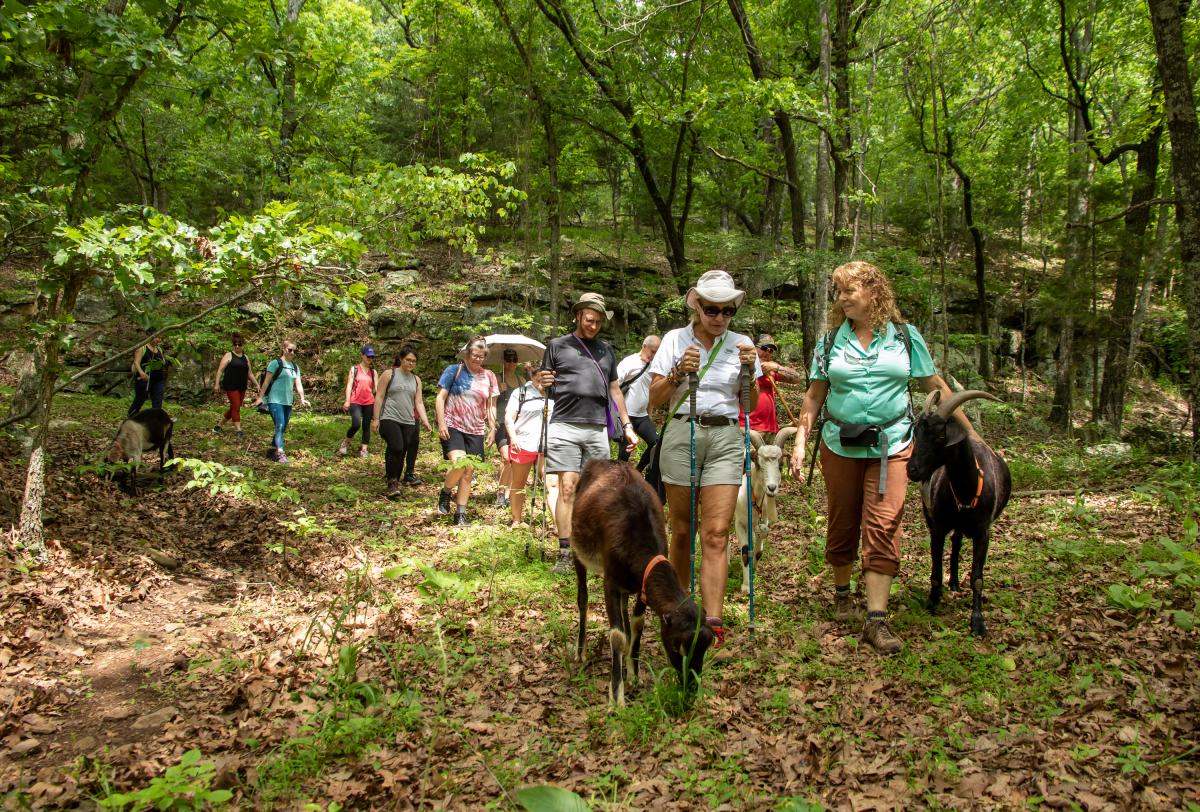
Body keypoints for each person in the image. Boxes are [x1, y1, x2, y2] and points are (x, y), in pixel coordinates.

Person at [788, 260, 975, 655]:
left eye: (847, 290)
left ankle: (876, 619)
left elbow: (935, 385)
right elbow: (814, 395)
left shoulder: (905, 338)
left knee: (885, 522)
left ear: (873, 291)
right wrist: (801, 441)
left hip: (892, 444)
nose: (841, 298)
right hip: (839, 443)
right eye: (838, 292)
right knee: (842, 516)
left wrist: (971, 433)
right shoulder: (829, 343)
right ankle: (842, 594)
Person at [647, 270, 760, 659]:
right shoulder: (675, 340)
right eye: (711, 308)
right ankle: (678, 615)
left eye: (726, 310)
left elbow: (750, 404)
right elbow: (654, 401)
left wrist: (750, 371)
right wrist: (679, 370)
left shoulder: (741, 343)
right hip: (682, 433)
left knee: (715, 532)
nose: (719, 317)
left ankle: (712, 624)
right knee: (682, 529)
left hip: (726, 436)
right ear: (696, 305)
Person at [535, 292, 640, 574]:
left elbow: (615, 389)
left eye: (598, 322)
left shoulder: (606, 350)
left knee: (598, 492)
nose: (593, 326)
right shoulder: (557, 346)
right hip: (565, 424)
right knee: (568, 488)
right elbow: (543, 382)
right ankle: (566, 553)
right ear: (579, 315)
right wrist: (542, 381)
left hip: (598, 428)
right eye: (589, 320)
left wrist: (627, 425)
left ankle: (593, 549)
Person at [435, 336, 500, 526]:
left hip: (476, 429)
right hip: (453, 424)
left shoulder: (489, 376)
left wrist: (492, 429)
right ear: (467, 354)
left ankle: (460, 514)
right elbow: (440, 398)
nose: (477, 359)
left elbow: (491, 405)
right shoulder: (454, 371)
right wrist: (441, 423)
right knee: (461, 464)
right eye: (474, 355)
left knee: (469, 471)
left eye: (481, 356)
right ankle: (446, 491)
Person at [372, 346, 433, 499]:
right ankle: (392, 482)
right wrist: (375, 418)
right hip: (389, 417)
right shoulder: (389, 374)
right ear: (401, 359)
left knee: (402, 451)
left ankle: (394, 481)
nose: (411, 363)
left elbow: (418, 403)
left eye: (414, 361)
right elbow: (379, 396)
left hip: (408, 421)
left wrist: (425, 421)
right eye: (408, 360)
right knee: (397, 447)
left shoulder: (416, 380)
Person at [503, 369, 554, 528]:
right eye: (538, 378)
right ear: (532, 376)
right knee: (519, 483)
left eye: (544, 379)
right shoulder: (521, 392)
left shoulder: (554, 393)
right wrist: (513, 437)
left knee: (551, 483)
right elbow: (508, 417)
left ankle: (559, 525)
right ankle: (517, 520)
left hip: (547, 445)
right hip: (523, 444)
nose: (541, 382)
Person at [739, 333, 803, 442]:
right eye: (764, 348)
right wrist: (755, 367)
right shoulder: (743, 364)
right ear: (754, 347)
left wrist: (777, 367)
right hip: (747, 426)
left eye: (771, 350)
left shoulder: (771, 367)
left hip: (770, 428)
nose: (767, 352)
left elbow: (797, 378)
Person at [253, 341, 309, 464]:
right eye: (290, 350)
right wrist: (260, 397)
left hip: (288, 402)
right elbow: (266, 382)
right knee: (279, 425)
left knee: (282, 427)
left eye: (295, 351)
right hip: (274, 400)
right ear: (284, 349)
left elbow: (298, 384)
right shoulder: (275, 363)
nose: (292, 353)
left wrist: (302, 398)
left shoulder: (295, 367)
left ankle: (272, 451)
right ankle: (280, 452)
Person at [616, 335, 660, 468]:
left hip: (642, 416)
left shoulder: (654, 367)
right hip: (625, 416)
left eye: (657, 353)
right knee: (625, 452)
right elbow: (614, 387)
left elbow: (652, 391)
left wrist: (650, 414)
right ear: (644, 346)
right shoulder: (629, 362)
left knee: (656, 443)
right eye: (652, 352)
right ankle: (618, 481)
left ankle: (638, 472)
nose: (653, 356)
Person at [494, 348, 525, 509]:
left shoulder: (521, 380)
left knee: (514, 460)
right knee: (506, 458)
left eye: (514, 360)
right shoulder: (497, 378)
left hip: (517, 425)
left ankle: (507, 494)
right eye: (508, 360)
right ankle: (500, 493)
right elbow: (488, 402)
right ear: (503, 361)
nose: (511, 363)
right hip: (500, 423)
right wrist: (499, 390)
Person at [212, 332, 259, 438]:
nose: (237, 346)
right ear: (233, 345)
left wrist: (257, 384)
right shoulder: (228, 355)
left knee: (234, 407)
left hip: (242, 386)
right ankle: (238, 430)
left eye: (239, 344)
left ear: (242, 345)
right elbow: (220, 371)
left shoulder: (245, 357)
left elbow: (249, 373)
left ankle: (218, 426)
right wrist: (217, 384)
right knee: (236, 407)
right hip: (231, 385)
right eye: (235, 344)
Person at [340, 345, 378, 458]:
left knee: (366, 426)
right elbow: (349, 385)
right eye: (368, 356)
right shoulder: (354, 369)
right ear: (362, 355)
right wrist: (347, 401)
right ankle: (345, 443)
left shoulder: (373, 372)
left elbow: (377, 388)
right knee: (356, 424)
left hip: (369, 402)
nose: (370, 359)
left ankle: (364, 450)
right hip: (355, 401)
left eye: (372, 357)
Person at [128, 331, 169, 417]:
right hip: (144, 379)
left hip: (158, 380)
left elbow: (162, 362)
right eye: (156, 337)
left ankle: (155, 420)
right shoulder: (142, 348)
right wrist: (142, 373)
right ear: (150, 337)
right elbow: (136, 362)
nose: (158, 340)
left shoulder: (159, 349)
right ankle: (131, 416)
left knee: (158, 400)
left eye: (160, 338)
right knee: (140, 399)